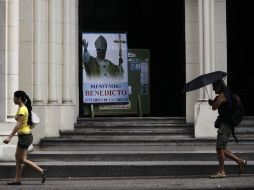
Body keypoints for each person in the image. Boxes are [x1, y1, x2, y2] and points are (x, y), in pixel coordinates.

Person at [3, 90, 47, 185]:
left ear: (19, 98)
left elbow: (19, 124)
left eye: (14, 97)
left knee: (21, 159)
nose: (13, 99)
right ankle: (17, 179)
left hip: (25, 137)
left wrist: (9, 137)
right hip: (24, 136)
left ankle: (41, 171)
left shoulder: (23, 109)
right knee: (17, 157)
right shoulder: (21, 108)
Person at [208, 80, 247, 178]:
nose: (213, 89)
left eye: (214, 86)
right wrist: (213, 101)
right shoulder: (227, 94)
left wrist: (212, 103)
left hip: (225, 125)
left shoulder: (222, 95)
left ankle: (221, 172)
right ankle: (240, 161)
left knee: (220, 148)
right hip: (227, 124)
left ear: (220, 86)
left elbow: (214, 107)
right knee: (221, 148)